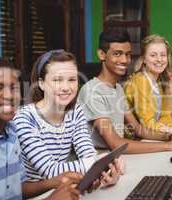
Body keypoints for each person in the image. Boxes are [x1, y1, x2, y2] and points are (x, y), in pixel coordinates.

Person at [0, 57, 81, 200]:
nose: (9, 96)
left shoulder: (11, 131)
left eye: (14, 88)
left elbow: (16, 189)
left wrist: (54, 182)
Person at [13, 50, 122, 187]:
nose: (66, 87)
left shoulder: (75, 111)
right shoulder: (25, 118)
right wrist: (101, 162)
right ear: (41, 84)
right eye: (57, 80)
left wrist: (107, 171)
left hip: (63, 187)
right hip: (36, 193)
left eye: (71, 79)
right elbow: (50, 171)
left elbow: (87, 153)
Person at [77, 29, 172, 154]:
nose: (124, 60)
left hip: (116, 157)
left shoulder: (118, 89)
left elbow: (138, 129)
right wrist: (170, 145)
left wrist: (170, 136)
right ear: (101, 54)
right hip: (99, 161)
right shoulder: (91, 91)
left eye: (127, 54)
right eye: (117, 54)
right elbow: (115, 143)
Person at [124, 34, 172, 133]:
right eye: (153, 55)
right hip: (134, 138)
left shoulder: (159, 83)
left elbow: (166, 116)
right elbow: (146, 123)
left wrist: (163, 127)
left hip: (150, 135)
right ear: (144, 59)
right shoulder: (140, 80)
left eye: (163, 55)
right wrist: (164, 129)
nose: (159, 59)